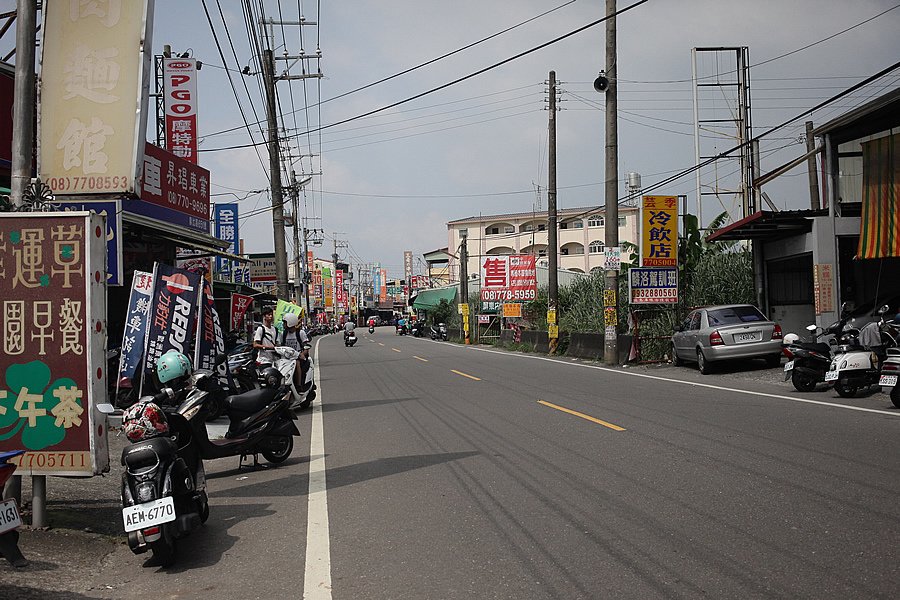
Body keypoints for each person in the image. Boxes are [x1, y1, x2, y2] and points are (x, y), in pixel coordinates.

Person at [281, 312, 311, 391]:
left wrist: (302, 354)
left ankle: (299, 385)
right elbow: (281, 346)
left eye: (285, 323)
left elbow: (306, 347)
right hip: (287, 358)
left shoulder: (300, 333)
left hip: (298, 357)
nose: (283, 325)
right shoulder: (284, 334)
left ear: (290, 322)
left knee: (296, 362)